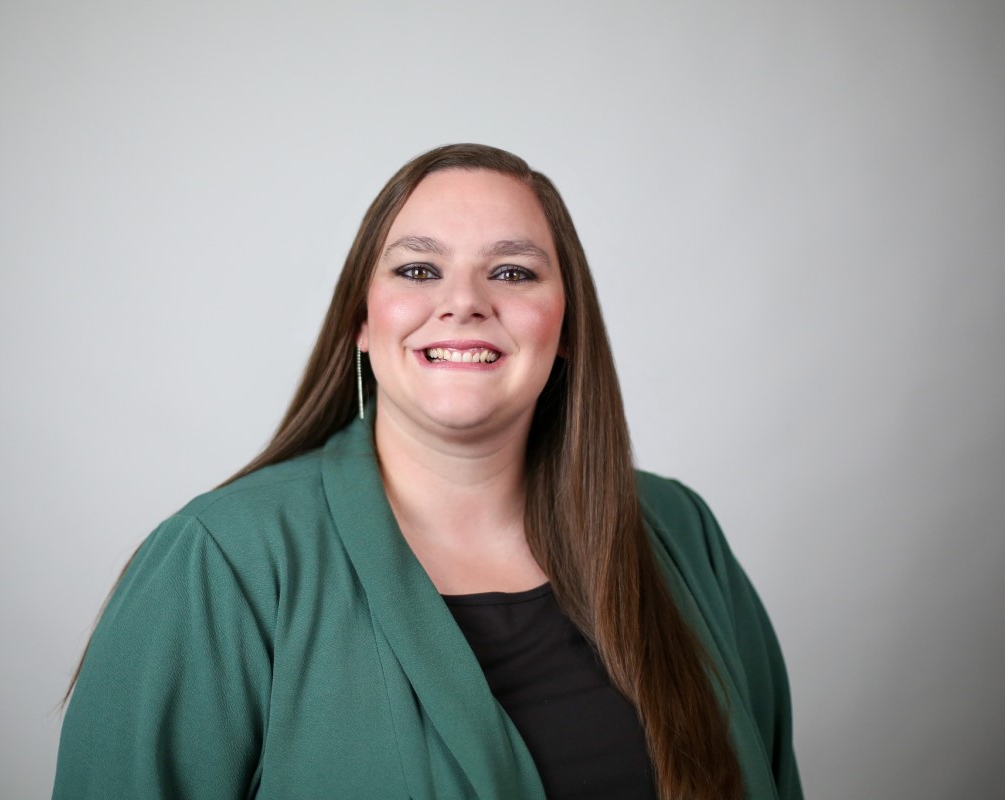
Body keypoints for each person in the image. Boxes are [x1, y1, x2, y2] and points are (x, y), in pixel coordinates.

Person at [52, 144, 802, 800]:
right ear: (361, 320)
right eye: (418, 269)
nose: (465, 303)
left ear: (566, 327)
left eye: (511, 271)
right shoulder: (220, 562)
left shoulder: (678, 532)